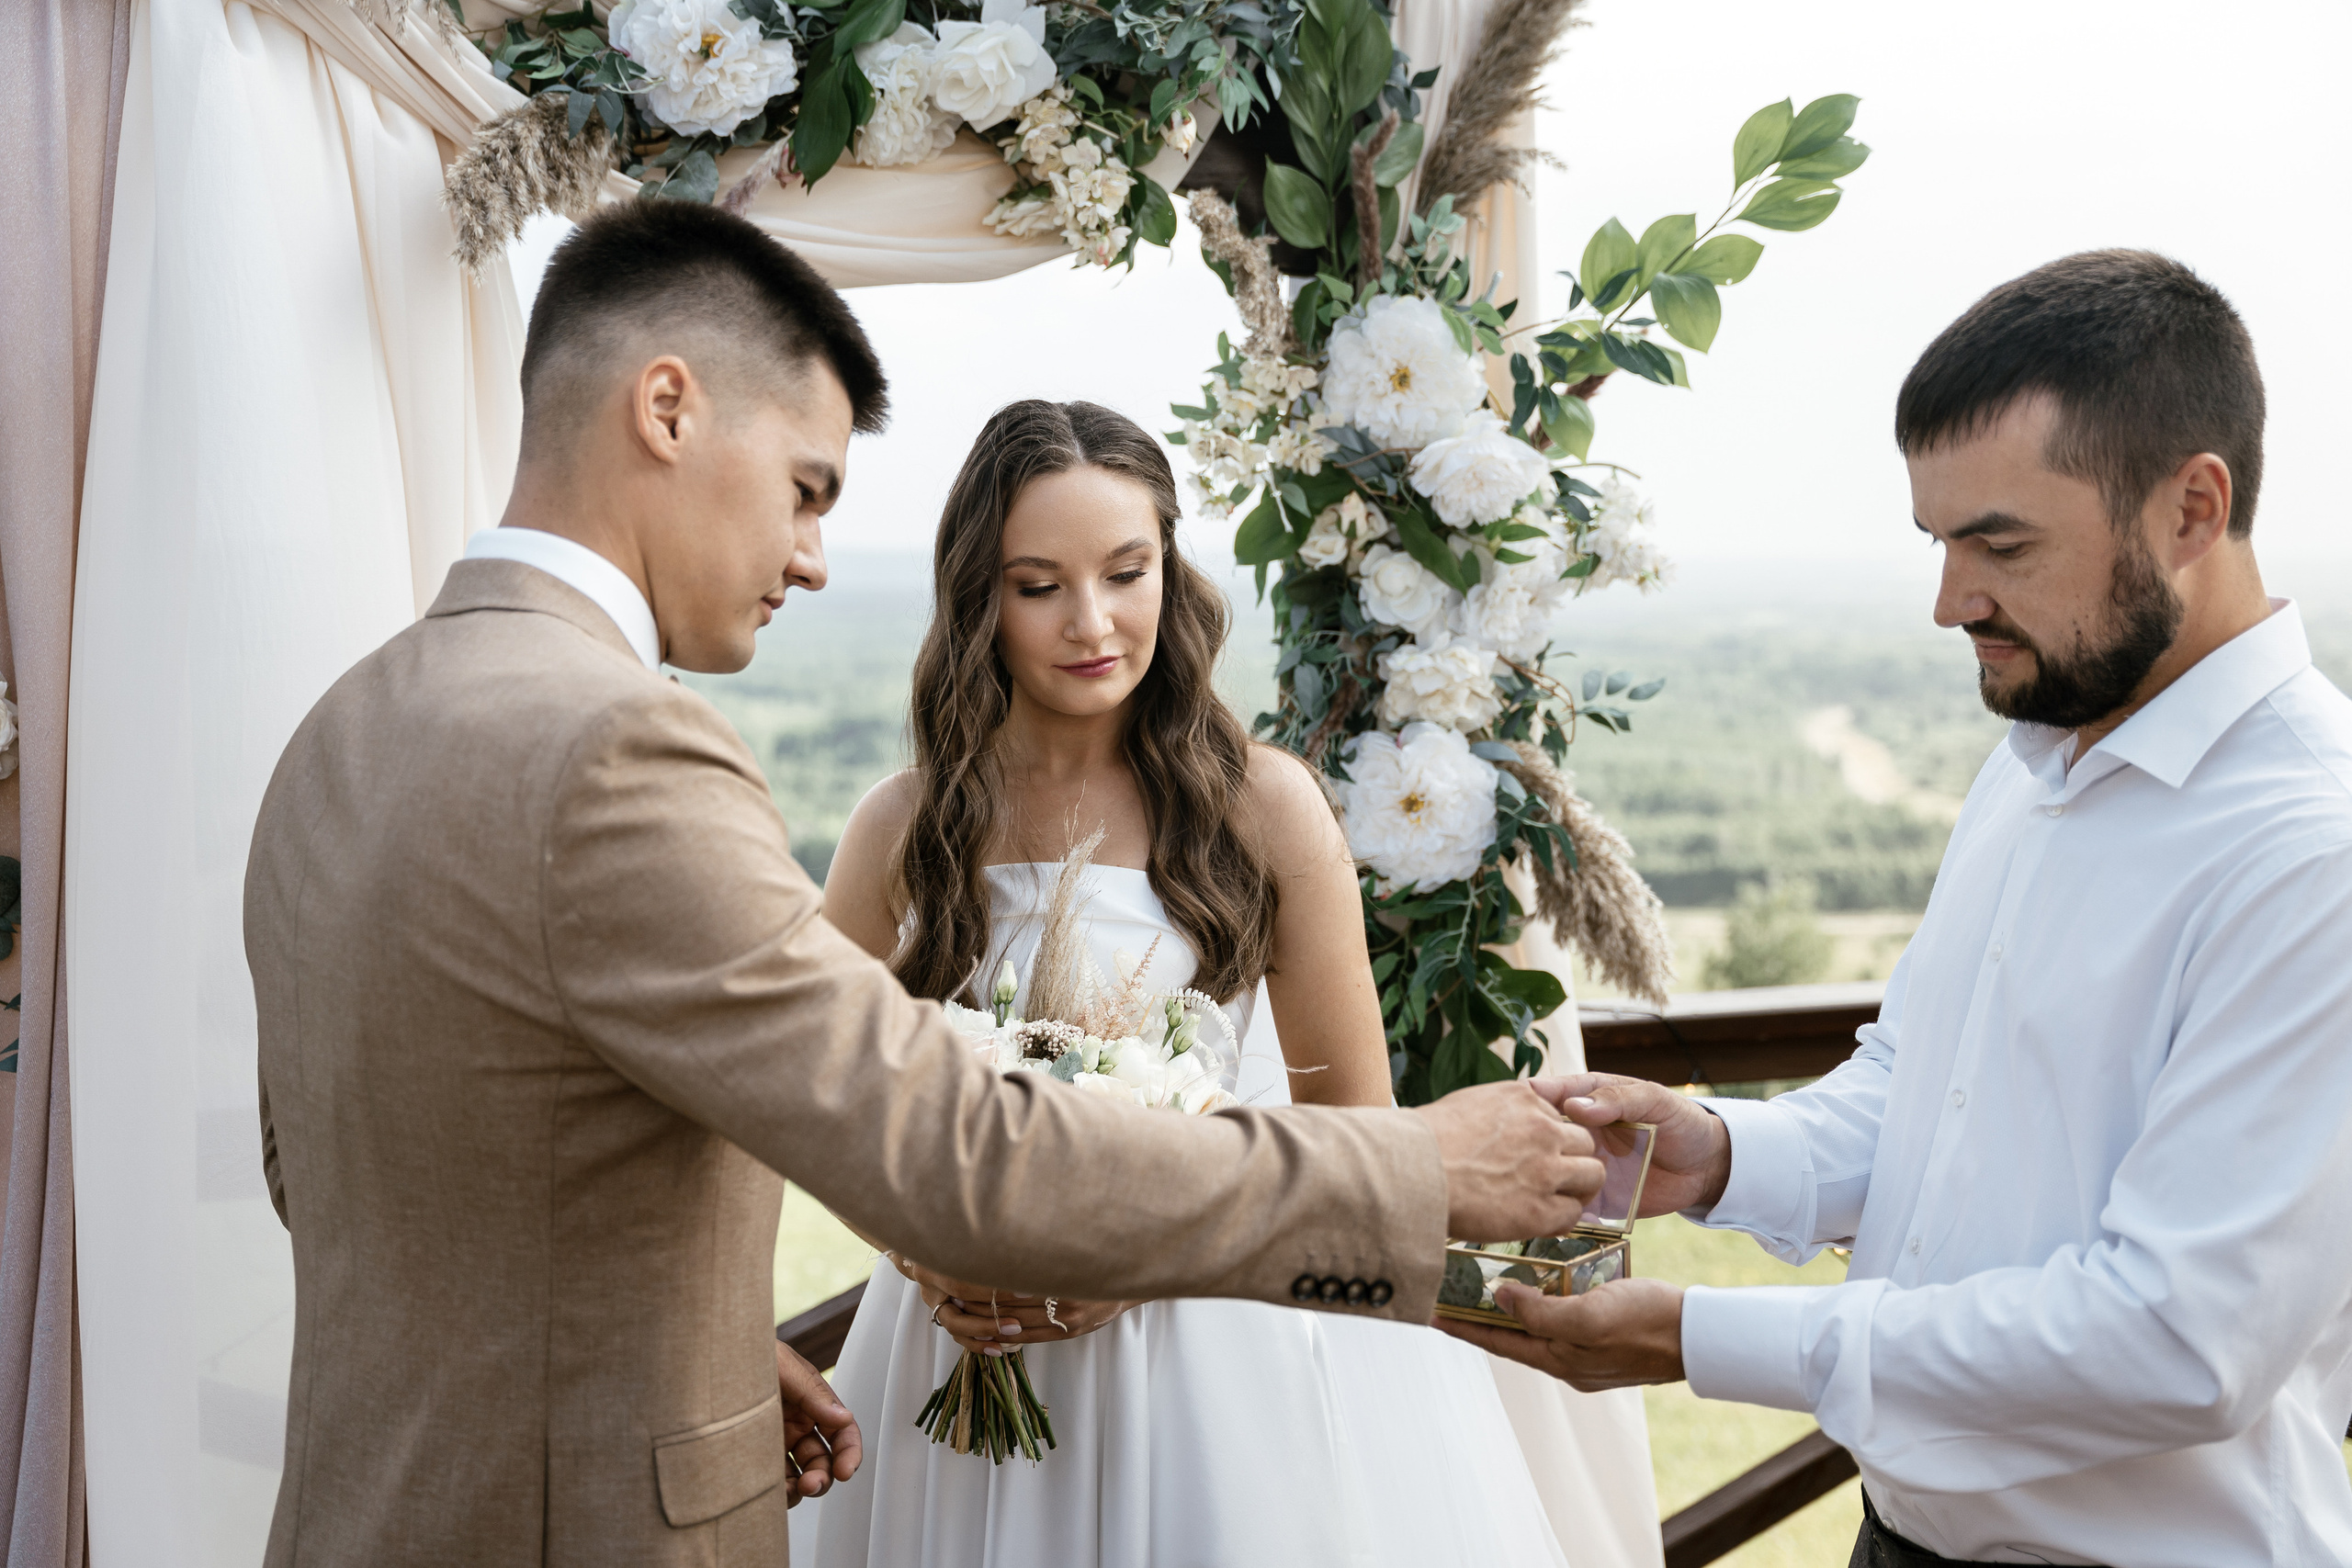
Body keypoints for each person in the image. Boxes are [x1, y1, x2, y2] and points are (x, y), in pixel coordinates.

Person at [242, 201, 1606, 1568]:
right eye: (805, 485)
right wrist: (1418, 1168)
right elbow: (939, 1144)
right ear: (668, 408)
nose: (813, 555)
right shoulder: (621, 748)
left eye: (1126, 572)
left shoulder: (338, 734)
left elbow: (345, 1163)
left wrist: (686, 1350)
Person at [1448, 248, 2352, 1566]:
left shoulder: (2312, 852)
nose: (1951, 601)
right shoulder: (2043, 749)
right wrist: (1719, 1151)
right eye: (1939, 541)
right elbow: (1921, 1086)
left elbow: (2175, 1339)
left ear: (2193, 509)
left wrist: (1700, 1335)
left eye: (2001, 543)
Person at [797, 400, 1568, 1568]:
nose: (1093, 622)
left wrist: (1141, 1249)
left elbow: (1352, 1131)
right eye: (1037, 584)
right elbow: (808, 1101)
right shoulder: (902, 827)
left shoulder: (1262, 808)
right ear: (976, 598)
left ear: (1172, 568)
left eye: (1126, 571)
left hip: (1221, 1351)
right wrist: (929, 1250)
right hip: (960, 1350)